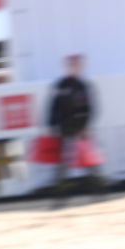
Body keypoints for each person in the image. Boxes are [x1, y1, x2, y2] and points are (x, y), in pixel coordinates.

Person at [47, 54, 97, 190]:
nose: (74, 67)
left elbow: (89, 108)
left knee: (88, 159)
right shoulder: (61, 84)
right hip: (65, 127)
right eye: (71, 65)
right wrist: (52, 125)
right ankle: (60, 189)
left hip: (80, 127)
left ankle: (97, 187)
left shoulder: (83, 85)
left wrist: (85, 126)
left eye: (76, 65)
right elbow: (53, 106)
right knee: (63, 160)